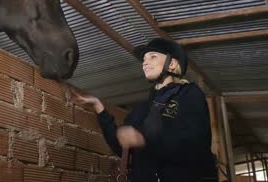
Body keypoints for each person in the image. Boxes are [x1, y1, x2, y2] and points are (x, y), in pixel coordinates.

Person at [70, 38, 218, 182]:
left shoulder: (189, 94)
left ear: (172, 63)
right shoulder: (141, 109)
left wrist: (144, 139)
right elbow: (122, 146)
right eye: (144, 59)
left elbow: (194, 141)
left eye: (152, 57)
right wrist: (99, 107)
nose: (145, 62)